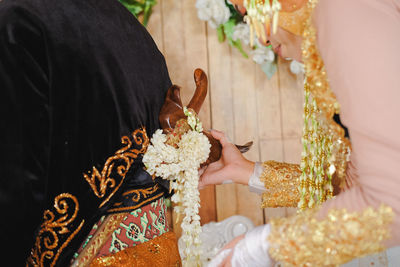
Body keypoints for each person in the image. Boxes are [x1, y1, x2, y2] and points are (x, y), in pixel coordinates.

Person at [200, 0, 400, 266]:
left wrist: (261, 247)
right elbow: (352, 188)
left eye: (250, 13)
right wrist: (248, 172)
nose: (261, 38)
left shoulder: (344, 9)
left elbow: (390, 205)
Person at [0, 0, 182, 265]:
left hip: (85, 252)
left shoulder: (15, 22)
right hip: (158, 246)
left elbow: (17, 177)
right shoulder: (121, 17)